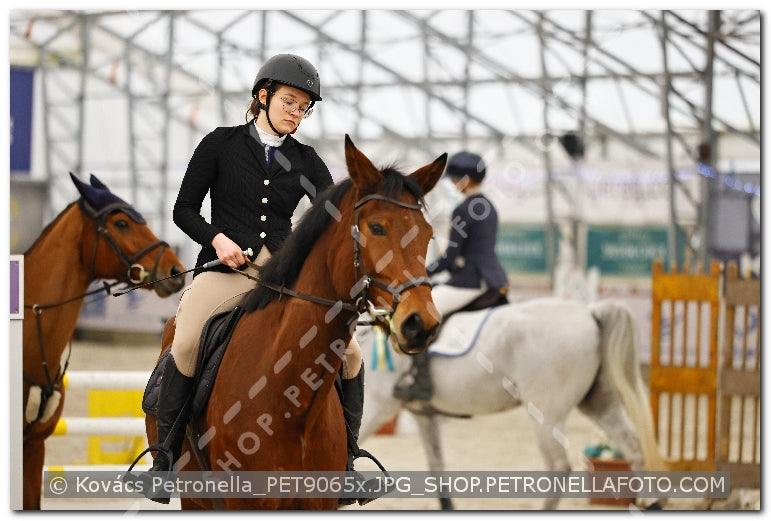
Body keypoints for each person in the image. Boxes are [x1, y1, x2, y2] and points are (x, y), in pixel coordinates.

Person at [144, 54, 367, 502]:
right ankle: (164, 460)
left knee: (352, 355)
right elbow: (183, 209)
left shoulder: (305, 160)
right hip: (225, 270)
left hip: (281, 278)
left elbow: (332, 216)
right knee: (185, 341)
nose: (296, 112)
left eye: (304, 107)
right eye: (289, 101)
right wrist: (218, 239)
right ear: (262, 96)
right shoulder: (220, 144)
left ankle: (348, 463)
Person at [392, 151, 509, 402]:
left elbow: (449, 258)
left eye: (455, 179)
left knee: (421, 314)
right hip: (493, 278)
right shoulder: (489, 207)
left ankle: (420, 381)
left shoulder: (463, 210)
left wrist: (420, 274)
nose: (453, 184)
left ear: (466, 180)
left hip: (471, 281)